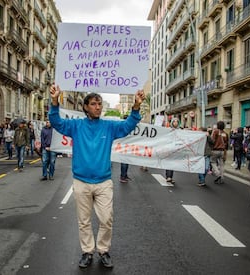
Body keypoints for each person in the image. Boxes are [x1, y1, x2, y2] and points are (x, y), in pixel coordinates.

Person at [49, 84, 145, 269]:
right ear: (85, 107)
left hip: (103, 182)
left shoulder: (109, 126)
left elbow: (128, 126)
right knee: (84, 221)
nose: (98, 107)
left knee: (106, 218)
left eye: (99, 104)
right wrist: (54, 101)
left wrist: (136, 106)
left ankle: (103, 250)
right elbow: (57, 122)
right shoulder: (75, 126)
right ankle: (87, 252)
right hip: (81, 182)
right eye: (93, 104)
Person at [165, 117, 181, 183]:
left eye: (177, 121)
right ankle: (168, 177)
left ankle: (170, 177)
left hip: (176, 149)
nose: (175, 123)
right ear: (172, 122)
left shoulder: (180, 130)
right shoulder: (168, 130)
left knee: (172, 163)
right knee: (169, 162)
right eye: (174, 121)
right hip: (169, 148)